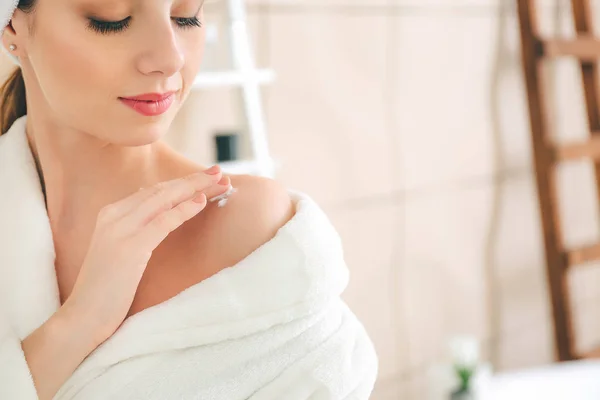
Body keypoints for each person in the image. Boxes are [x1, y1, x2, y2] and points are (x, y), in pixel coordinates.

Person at [0, 0, 379, 399]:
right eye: (111, 20)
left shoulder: (247, 231)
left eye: (186, 15)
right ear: (12, 29)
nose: (169, 57)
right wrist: (81, 322)